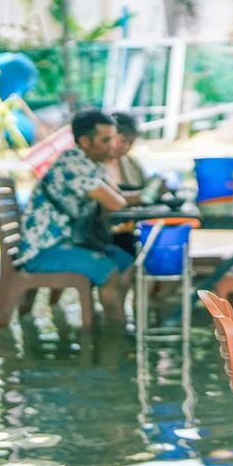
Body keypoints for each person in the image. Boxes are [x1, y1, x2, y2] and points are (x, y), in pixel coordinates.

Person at [17, 108, 144, 324]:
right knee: (110, 271)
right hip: (45, 248)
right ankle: (115, 339)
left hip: (70, 241)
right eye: (106, 140)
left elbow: (117, 196)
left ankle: (113, 322)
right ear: (85, 142)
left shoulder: (93, 164)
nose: (113, 146)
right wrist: (148, 193)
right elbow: (116, 202)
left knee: (127, 262)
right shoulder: (72, 164)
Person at [103, 111, 147, 189]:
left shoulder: (133, 164)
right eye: (124, 140)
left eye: (131, 143)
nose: (126, 147)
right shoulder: (91, 164)